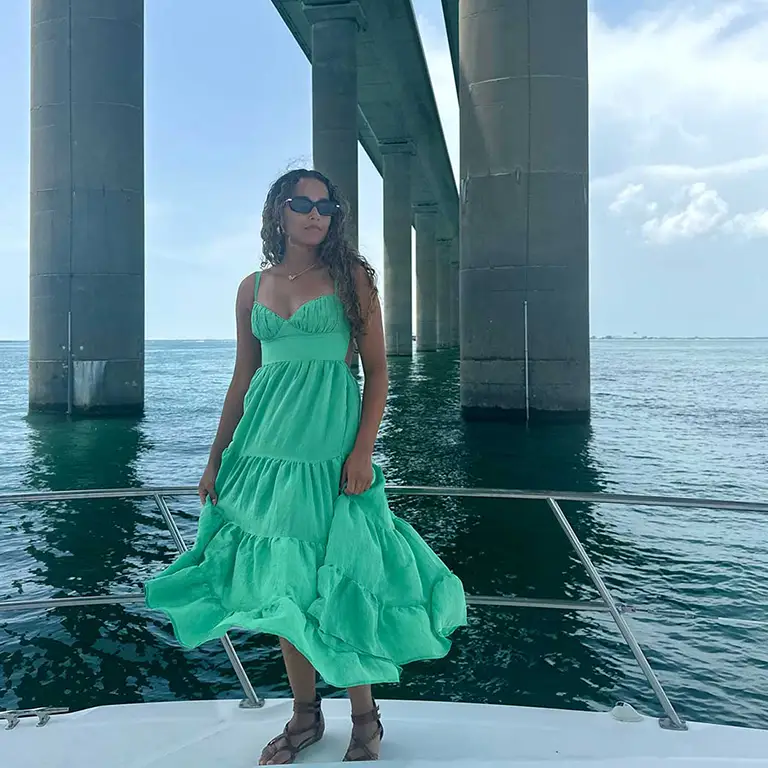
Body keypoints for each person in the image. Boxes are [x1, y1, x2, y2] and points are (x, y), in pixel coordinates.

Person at [144, 168, 467, 763]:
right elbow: (244, 378)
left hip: (326, 456)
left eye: (326, 205)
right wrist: (217, 457)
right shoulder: (251, 287)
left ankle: (365, 719)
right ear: (278, 213)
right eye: (302, 203)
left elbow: (377, 373)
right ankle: (305, 717)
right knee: (284, 590)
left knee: (340, 581)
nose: (315, 214)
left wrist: (364, 450)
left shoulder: (353, 278)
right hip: (264, 455)